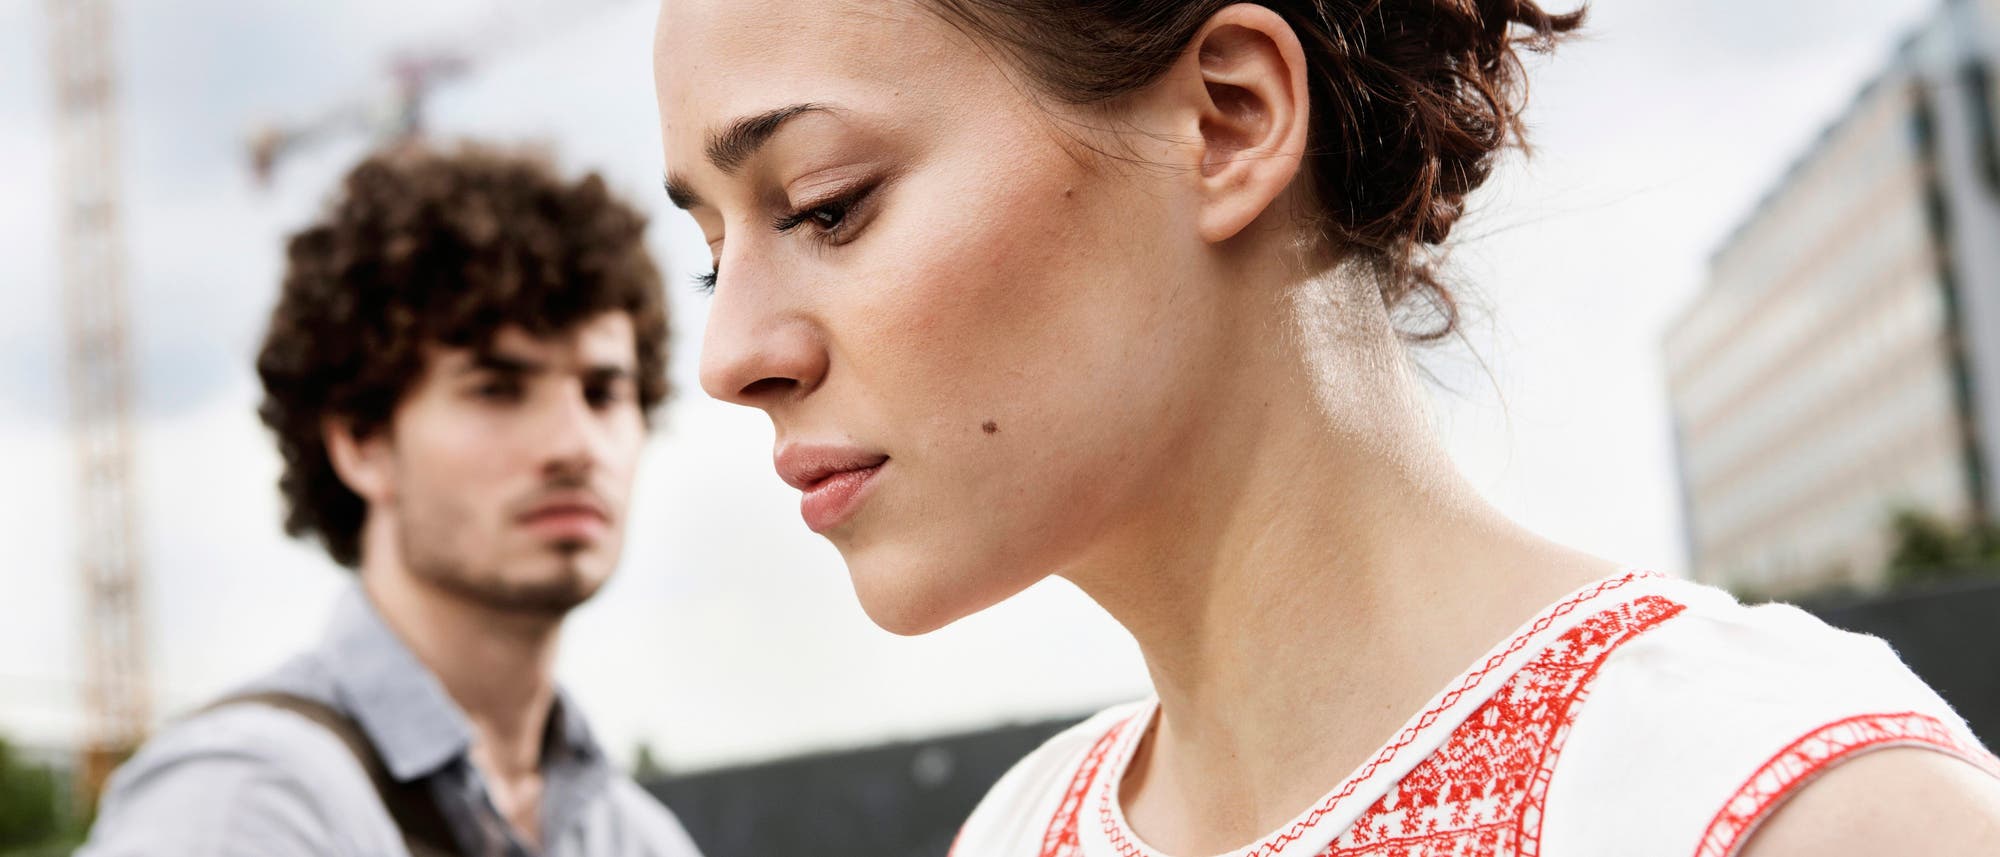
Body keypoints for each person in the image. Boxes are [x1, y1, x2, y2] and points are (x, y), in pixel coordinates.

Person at [651, 1, 2000, 855]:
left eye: (826, 205)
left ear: (1229, 120)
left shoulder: (1781, 806)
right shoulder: (1017, 832)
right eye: (715, 251)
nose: (732, 355)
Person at [81, 144, 703, 857]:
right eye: (497, 388)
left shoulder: (634, 836)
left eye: (603, 391)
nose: (577, 443)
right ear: (362, 441)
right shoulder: (241, 805)